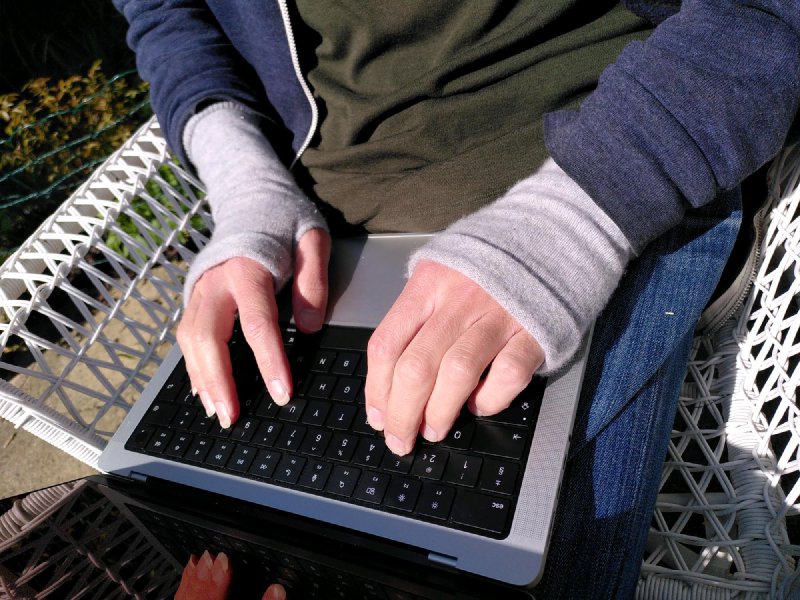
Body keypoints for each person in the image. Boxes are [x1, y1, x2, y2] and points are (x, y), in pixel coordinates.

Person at [114, 1, 800, 597]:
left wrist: (571, 222)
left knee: (495, 569)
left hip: (599, 184)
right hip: (323, 239)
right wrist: (246, 185)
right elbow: (165, 15)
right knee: (188, 516)